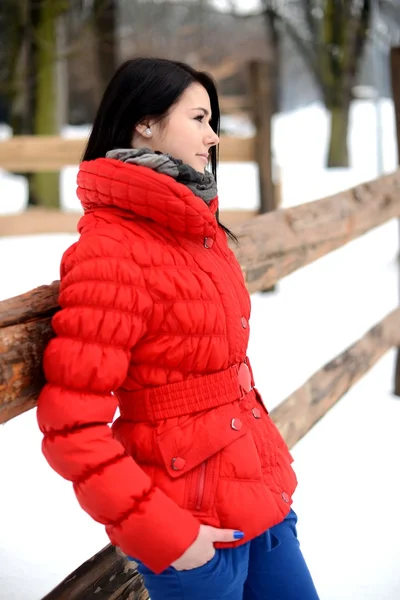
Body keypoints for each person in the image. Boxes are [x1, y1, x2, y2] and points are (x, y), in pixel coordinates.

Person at [37, 57, 319, 600]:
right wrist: (166, 536)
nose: (213, 137)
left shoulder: (198, 230)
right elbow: (72, 428)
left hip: (264, 505)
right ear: (145, 122)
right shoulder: (111, 252)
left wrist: (271, 484)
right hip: (194, 535)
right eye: (199, 118)